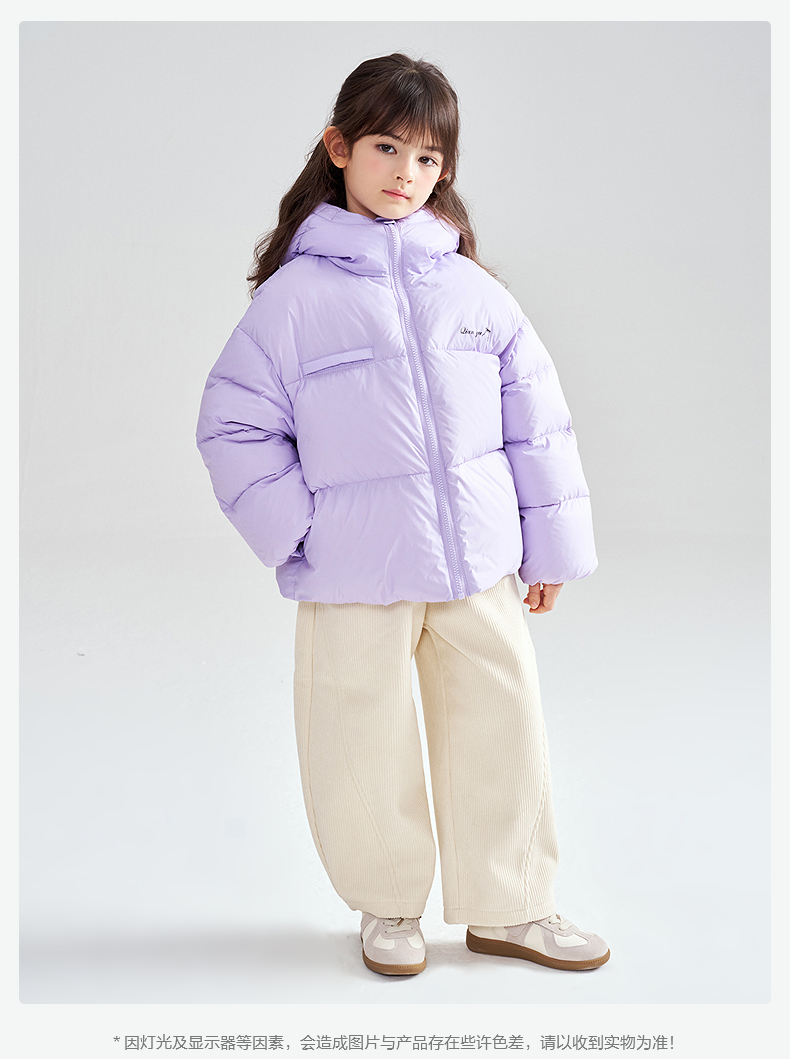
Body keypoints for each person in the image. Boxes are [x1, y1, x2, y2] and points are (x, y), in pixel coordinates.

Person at [196, 52, 609, 977]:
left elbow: (537, 421)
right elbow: (232, 424)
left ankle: (514, 904)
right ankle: (386, 904)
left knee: (504, 722)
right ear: (339, 147)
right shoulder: (294, 301)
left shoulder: (473, 291)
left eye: (428, 158)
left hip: (476, 565)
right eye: (387, 148)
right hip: (357, 571)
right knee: (360, 738)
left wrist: (549, 547)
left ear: (444, 171)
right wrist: (299, 533)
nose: (406, 173)